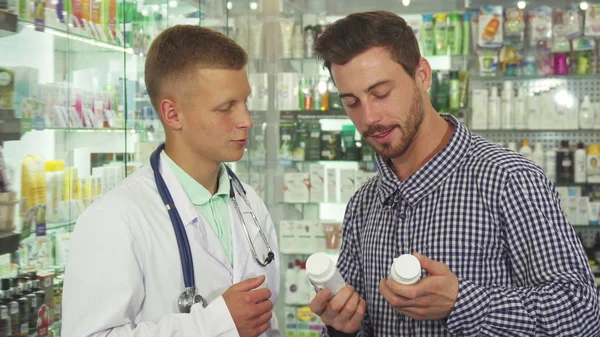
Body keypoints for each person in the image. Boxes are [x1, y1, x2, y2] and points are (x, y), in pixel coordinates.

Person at [309, 10, 600, 337]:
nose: (369, 117)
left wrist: (462, 302)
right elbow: (357, 324)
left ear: (422, 75)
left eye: (381, 93)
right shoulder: (363, 205)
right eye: (352, 102)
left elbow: (582, 312)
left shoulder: (508, 179)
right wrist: (341, 328)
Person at [62, 25, 280, 337]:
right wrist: (216, 323)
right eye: (226, 107)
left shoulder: (249, 202)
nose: (246, 120)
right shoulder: (114, 219)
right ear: (173, 114)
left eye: (245, 101)